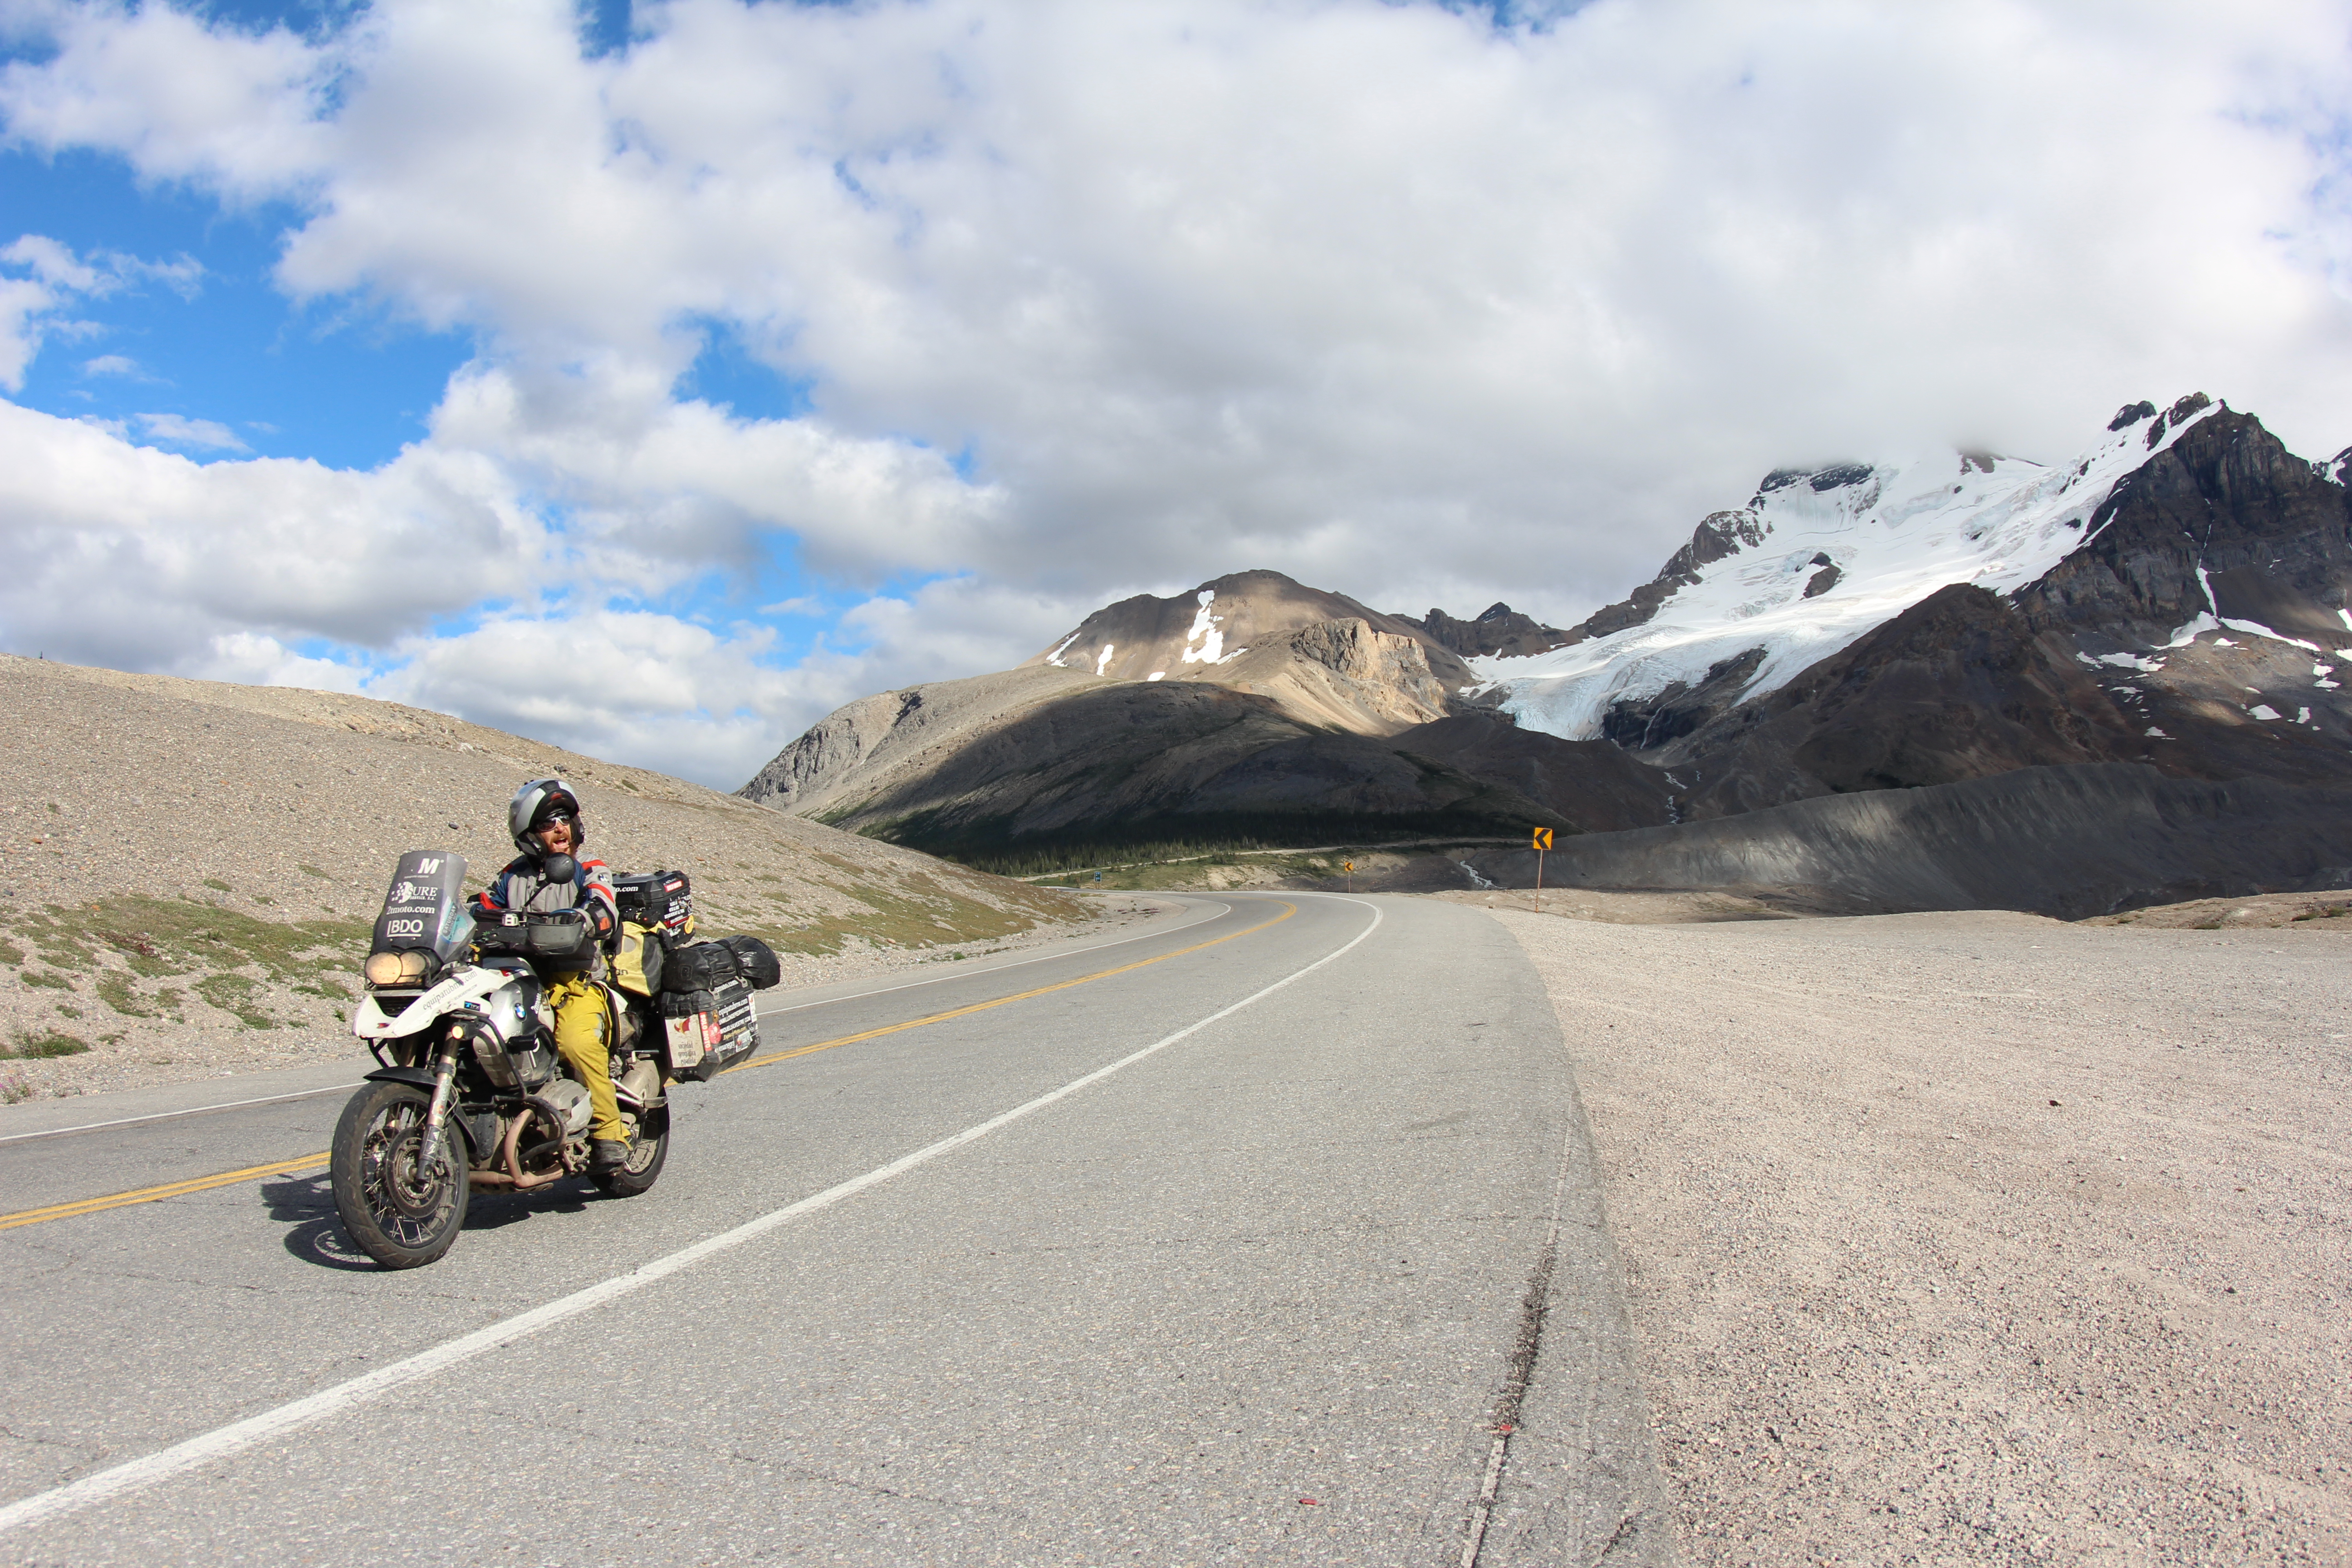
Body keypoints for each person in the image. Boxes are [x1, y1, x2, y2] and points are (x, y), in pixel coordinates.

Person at [474, 778, 629, 1172]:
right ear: (529, 836)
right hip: (516, 980)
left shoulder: (588, 868)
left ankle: (609, 1134)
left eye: (564, 819)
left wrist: (588, 917)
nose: (559, 828)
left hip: (573, 981)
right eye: (547, 823)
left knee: (575, 1043)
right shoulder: (511, 876)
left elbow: (604, 903)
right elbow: (482, 908)